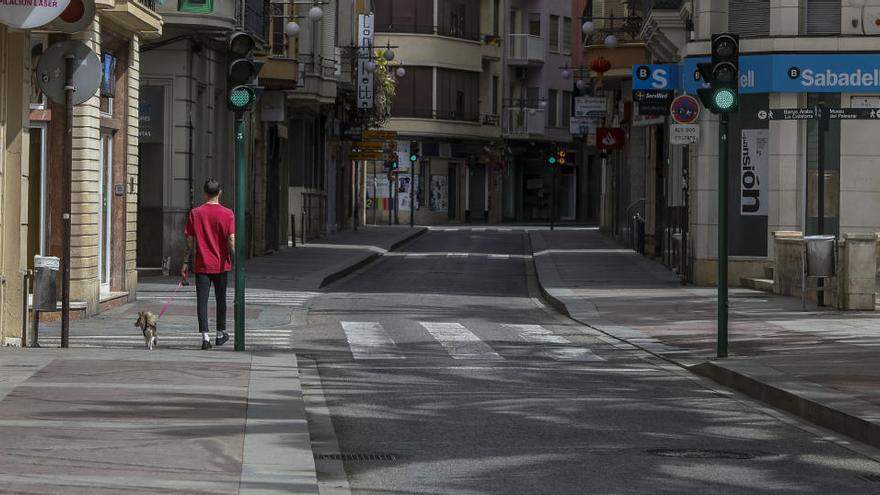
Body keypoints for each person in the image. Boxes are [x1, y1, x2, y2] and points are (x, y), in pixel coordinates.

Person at [181, 179, 235, 350]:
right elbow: (231, 240)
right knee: (221, 300)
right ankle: (220, 334)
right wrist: (234, 258)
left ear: (204, 194)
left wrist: (185, 262)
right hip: (220, 265)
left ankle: (205, 338)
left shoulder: (195, 213)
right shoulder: (228, 214)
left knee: (202, 301)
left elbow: (189, 241)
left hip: (202, 265)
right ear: (220, 193)